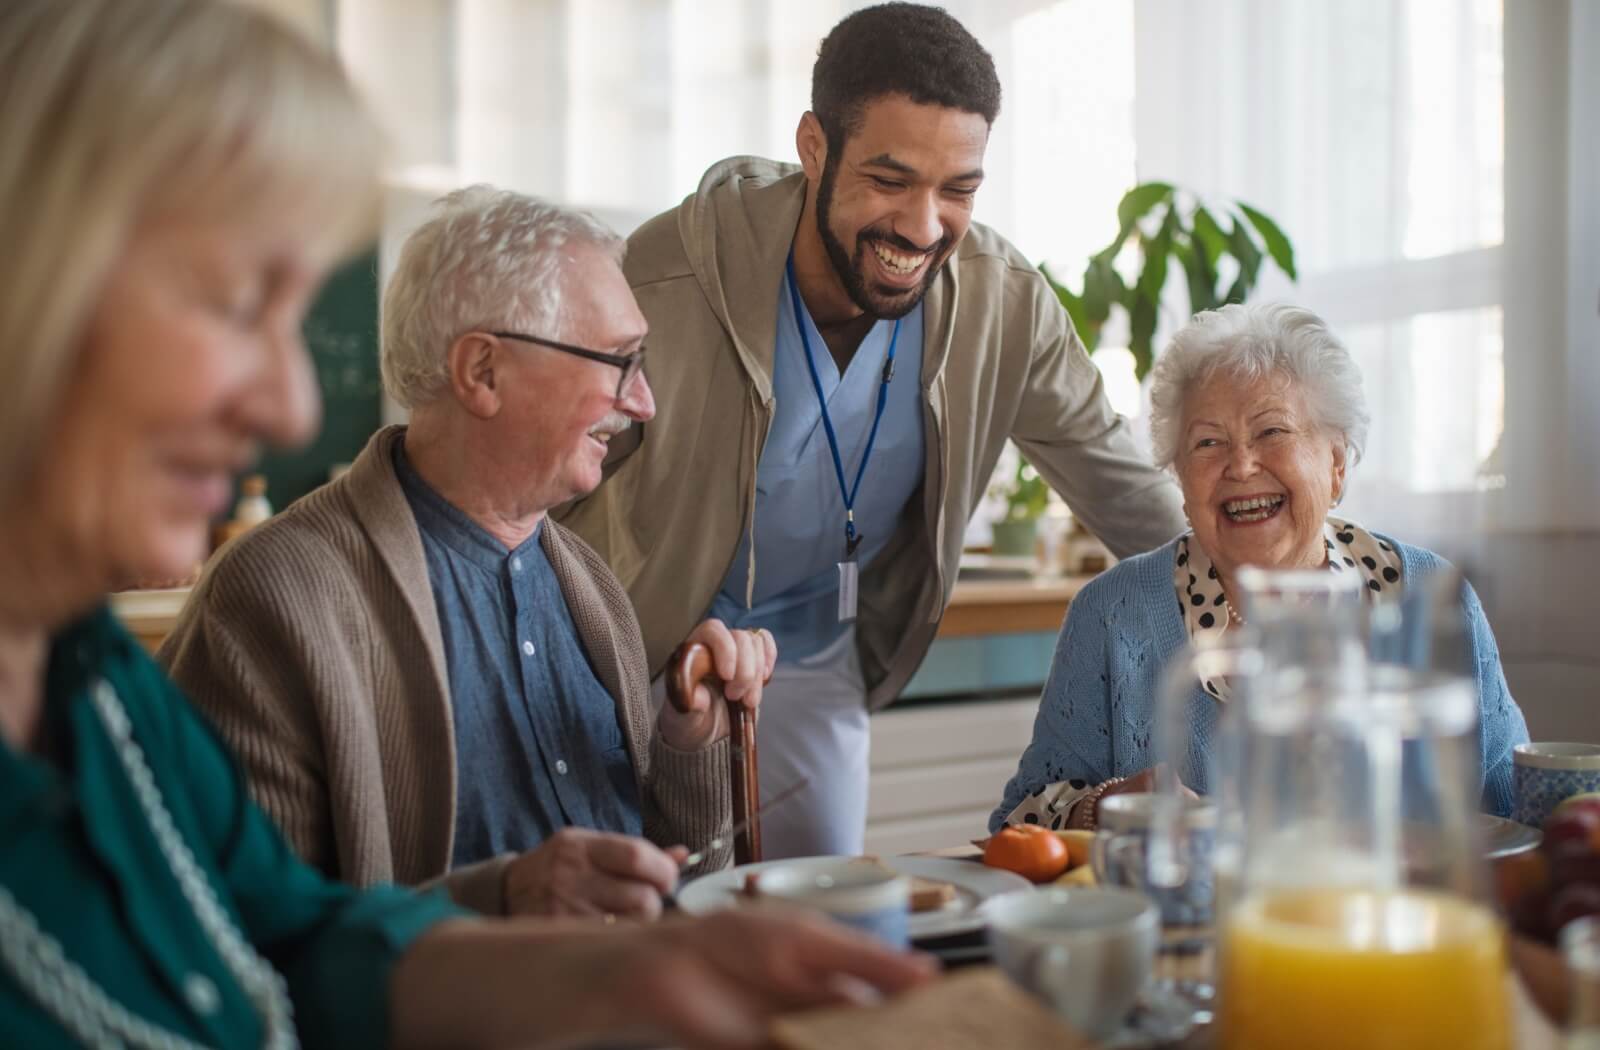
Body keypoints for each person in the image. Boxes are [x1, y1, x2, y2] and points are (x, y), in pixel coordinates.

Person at [0, 2, 930, 1047]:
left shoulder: (98, 688)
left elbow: (296, 932)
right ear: (480, 370)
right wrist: (522, 909)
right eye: (230, 301)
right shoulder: (275, 595)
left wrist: (659, 891)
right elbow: (270, 970)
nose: (294, 408)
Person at [554, 1, 1187, 857]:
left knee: (824, 932)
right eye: (890, 181)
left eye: (957, 190)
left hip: (816, 657)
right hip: (640, 657)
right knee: (633, 926)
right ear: (814, 147)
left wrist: (1273, 586)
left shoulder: (1004, 303)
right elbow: (542, 491)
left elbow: (1125, 485)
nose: (924, 228)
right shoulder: (662, 280)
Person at [161, 186, 777, 920]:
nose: (643, 401)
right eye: (618, 361)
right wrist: (506, 900)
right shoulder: (273, 599)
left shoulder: (591, 587)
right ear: (482, 372)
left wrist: (690, 739)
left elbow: (680, 882)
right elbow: (246, 935)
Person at [991, 303, 1530, 831]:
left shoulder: (1429, 598)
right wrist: (1105, 806)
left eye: (1272, 432)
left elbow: (1512, 811)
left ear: (1336, 464)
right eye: (1208, 443)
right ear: (1180, 479)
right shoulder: (1112, 613)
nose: (1242, 465)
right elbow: (1018, 826)